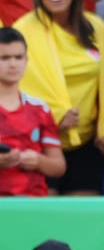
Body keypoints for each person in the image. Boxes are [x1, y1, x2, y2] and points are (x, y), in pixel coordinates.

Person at [15, 0, 104, 197]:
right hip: (39, 145)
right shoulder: (23, 31)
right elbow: (13, 87)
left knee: (82, 222)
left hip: (87, 144)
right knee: (44, 224)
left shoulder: (96, 27)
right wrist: (55, 117)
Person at [0, 28, 65, 197]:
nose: (13, 64)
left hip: (32, 206)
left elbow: (59, 166)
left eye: (18, 57)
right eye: (4, 58)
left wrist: (38, 161)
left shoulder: (40, 109)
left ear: (27, 61)